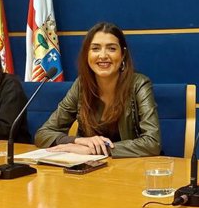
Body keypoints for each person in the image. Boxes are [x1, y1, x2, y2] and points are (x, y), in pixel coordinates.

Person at [34, 22, 161, 157]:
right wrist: (78, 141)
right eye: (95, 49)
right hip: (89, 170)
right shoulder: (81, 85)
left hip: (130, 169)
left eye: (111, 49)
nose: (103, 55)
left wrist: (98, 149)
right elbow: (43, 134)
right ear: (87, 55)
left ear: (122, 54)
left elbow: (152, 143)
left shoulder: (139, 84)